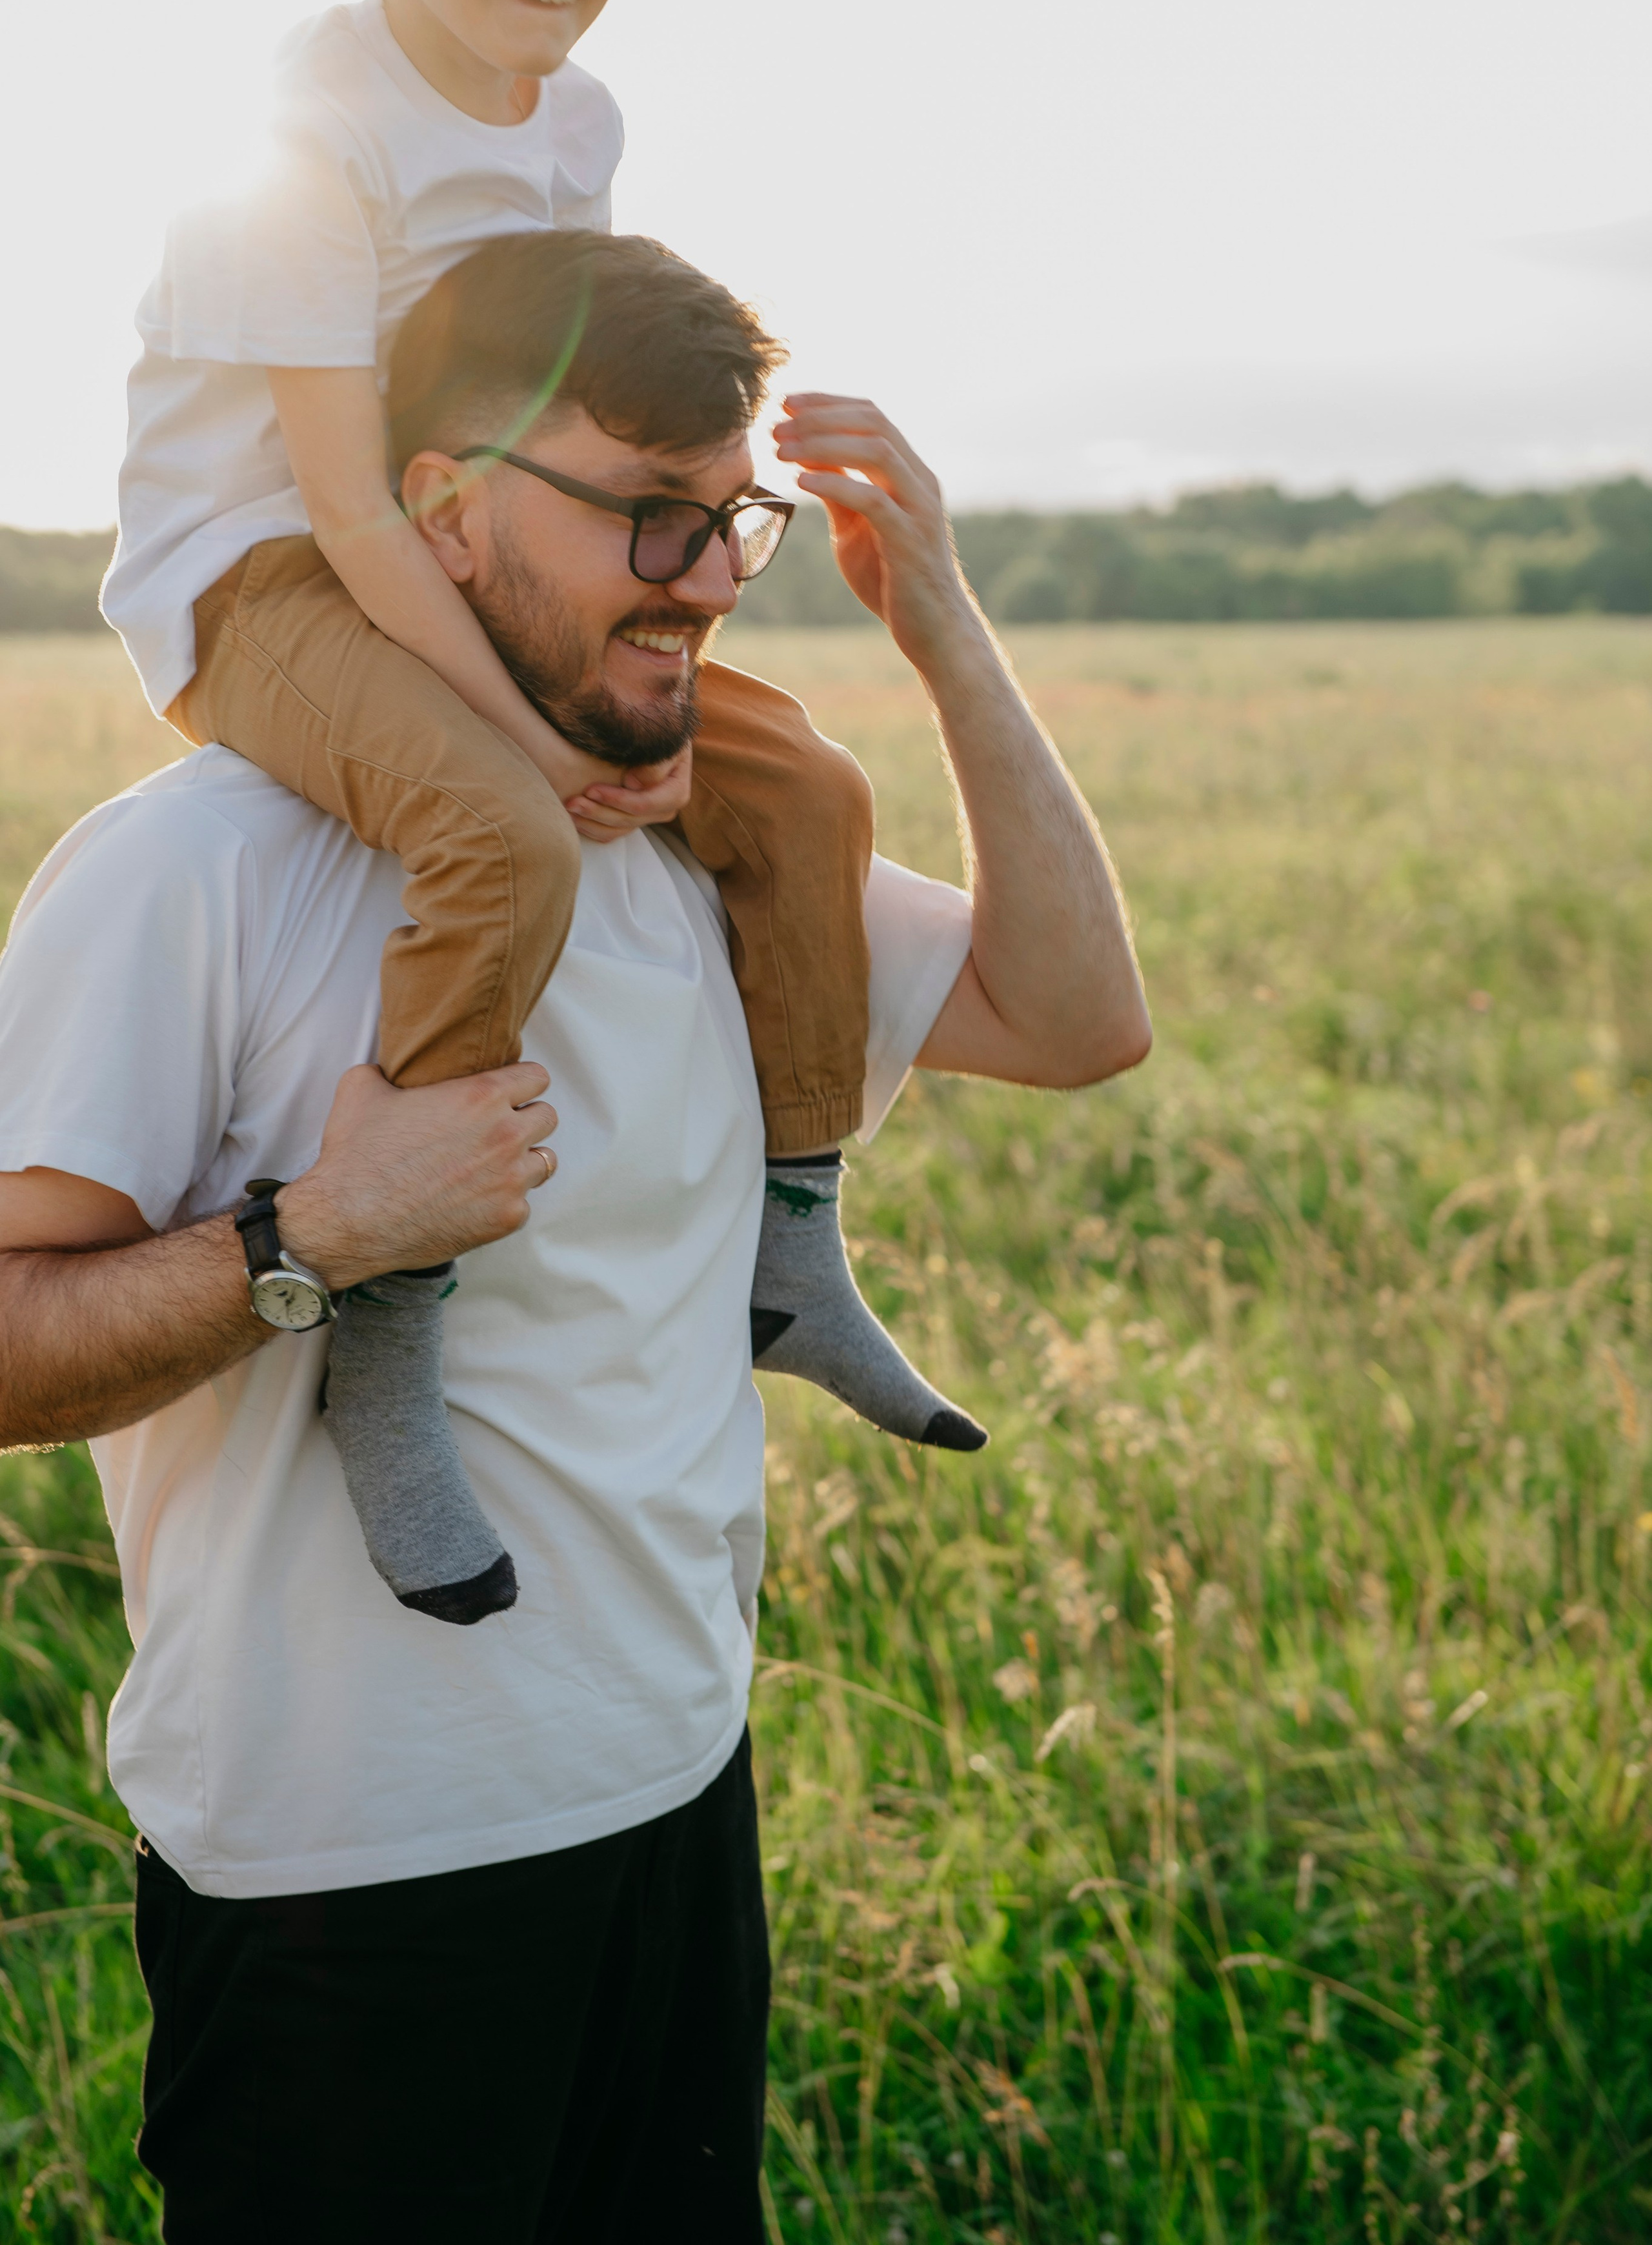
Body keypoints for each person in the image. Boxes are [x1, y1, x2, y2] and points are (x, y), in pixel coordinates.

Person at [0, 230, 1151, 2241]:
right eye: (647, 514)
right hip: (350, 1890)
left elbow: (1074, 1020)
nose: (707, 580)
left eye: (734, 523)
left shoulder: (700, 848)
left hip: (680, 1790)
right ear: (438, 510)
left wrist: (945, 629)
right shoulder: (195, 869)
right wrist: (313, 1236)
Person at [99, 0, 982, 1635]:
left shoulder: (576, 120)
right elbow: (348, 503)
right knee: (507, 837)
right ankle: (386, 1331)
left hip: (463, 550)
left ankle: (794, 1246)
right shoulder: (309, 139)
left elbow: (541, 394)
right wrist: (539, 739)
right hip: (269, 576)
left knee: (806, 793)